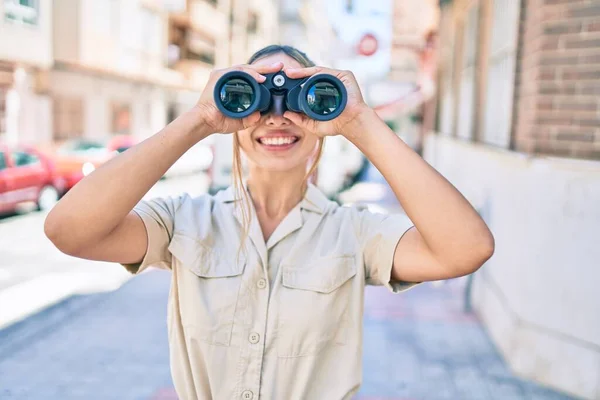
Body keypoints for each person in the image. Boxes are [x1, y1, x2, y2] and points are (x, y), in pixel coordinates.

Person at [44, 45, 494, 400]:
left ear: (323, 119)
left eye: (303, 98)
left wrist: (360, 121)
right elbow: (69, 230)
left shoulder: (354, 234)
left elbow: (466, 249)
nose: (277, 115)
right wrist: (200, 119)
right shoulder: (184, 220)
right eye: (251, 97)